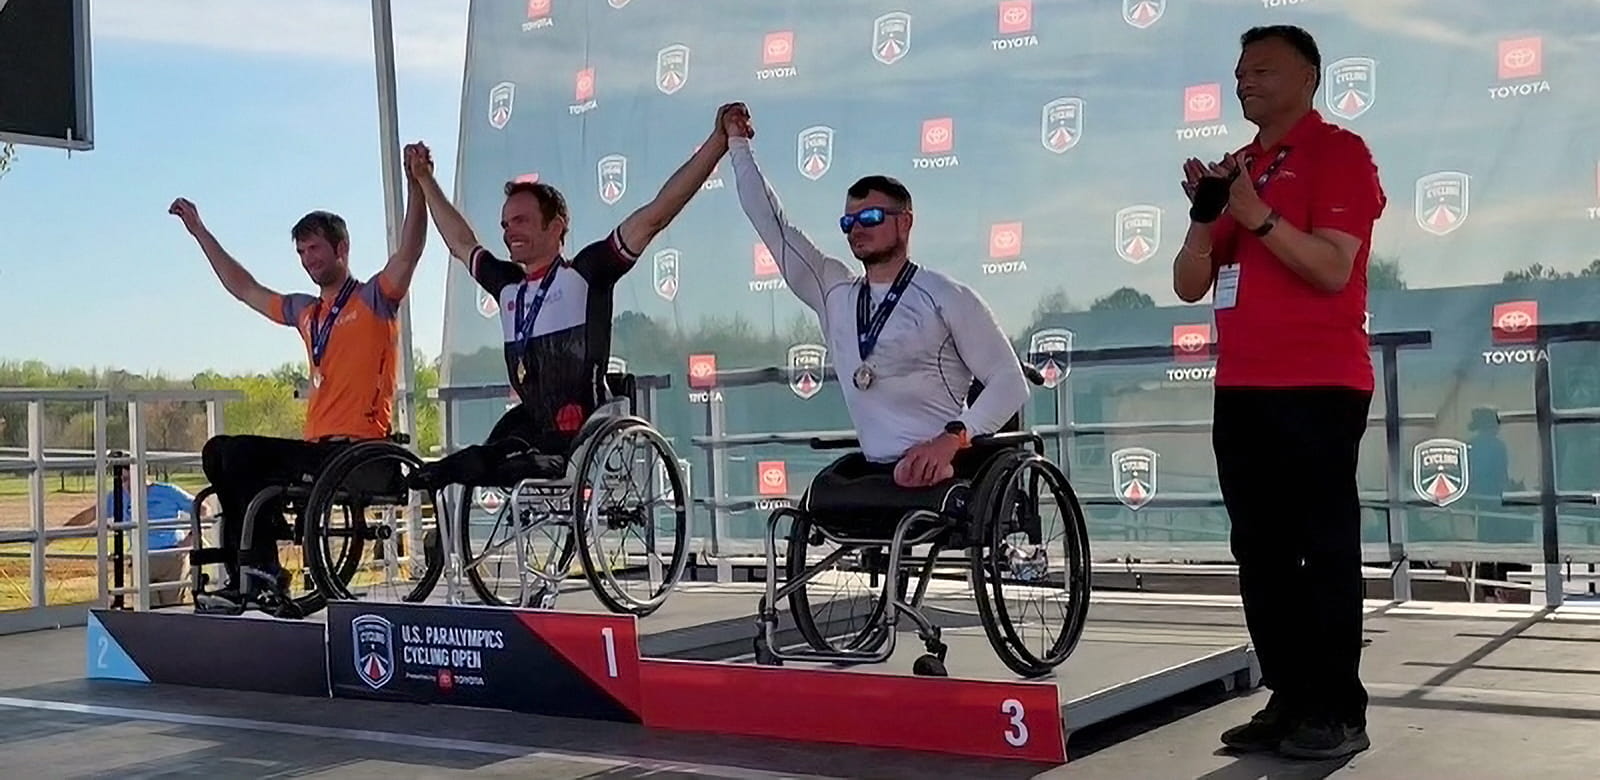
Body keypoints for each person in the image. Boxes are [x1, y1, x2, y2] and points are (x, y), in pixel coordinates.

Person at [1172, 25, 1387, 760]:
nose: (1244, 82)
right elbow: (1188, 282)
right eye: (1238, 72)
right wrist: (1209, 217)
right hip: (1242, 388)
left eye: (1262, 69)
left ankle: (1338, 711)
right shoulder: (1242, 166)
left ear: (1309, 78)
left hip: (1320, 384)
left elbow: (1331, 269)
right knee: (1259, 551)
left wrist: (1255, 212)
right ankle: (1290, 697)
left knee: (1321, 549)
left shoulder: (1340, 153)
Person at [405, 108, 731, 490]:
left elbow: (655, 215)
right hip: (530, 426)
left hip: (579, 431)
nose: (509, 232)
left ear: (556, 226)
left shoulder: (586, 273)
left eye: (521, 221)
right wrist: (425, 180)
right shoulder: (509, 285)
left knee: (494, 464)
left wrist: (718, 143)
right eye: (505, 225)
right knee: (465, 464)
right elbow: (461, 242)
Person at [168, 143, 430, 616]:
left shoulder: (374, 299)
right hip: (316, 448)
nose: (308, 259)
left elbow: (410, 251)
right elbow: (244, 288)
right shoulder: (308, 312)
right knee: (219, 452)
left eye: (315, 249)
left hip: (358, 450)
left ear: (341, 249)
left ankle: (263, 572)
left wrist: (417, 185)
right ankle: (247, 573)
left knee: (245, 455)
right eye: (302, 251)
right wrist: (199, 232)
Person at [723, 103, 1027, 488]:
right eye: (848, 222)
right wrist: (737, 144)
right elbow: (773, 226)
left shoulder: (946, 296)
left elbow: (1009, 382)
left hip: (942, 465)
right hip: (877, 470)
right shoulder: (834, 291)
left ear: (905, 223)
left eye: (869, 219)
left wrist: (951, 440)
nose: (856, 230)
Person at [64, 463, 199, 608]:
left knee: (174, 608)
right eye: (123, 480)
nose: (127, 485)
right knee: (146, 609)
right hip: (141, 559)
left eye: (131, 479)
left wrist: (189, 541)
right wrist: (59, 533)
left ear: (143, 474)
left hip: (172, 557)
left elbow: (204, 510)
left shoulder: (168, 492)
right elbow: (90, 514)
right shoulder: (118, 497)